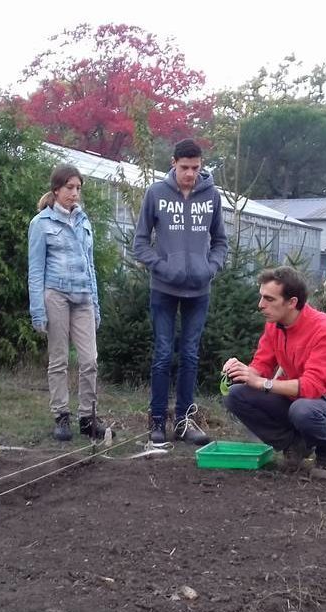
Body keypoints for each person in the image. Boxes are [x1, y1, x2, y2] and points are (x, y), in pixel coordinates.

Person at [132, 138, 228, 446]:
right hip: (163, 288)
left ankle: (185, 421)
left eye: (195, 168)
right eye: (185, 167)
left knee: (189, 354)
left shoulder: (211, 196)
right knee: (162, 353)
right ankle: (157, 420)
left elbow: (221, 242)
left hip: (199, 291)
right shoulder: (155, 194)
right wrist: (163, 267)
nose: (190, 174)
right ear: (173, 163)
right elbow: (140, 243)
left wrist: (210, 268)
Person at [222, 266, 326, 480]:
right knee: (235, 394)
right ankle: (295, 445)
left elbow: (311, 388)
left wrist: (263, 383)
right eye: (261, 297)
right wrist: (240, 370)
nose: (261, 305)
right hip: (295, 398)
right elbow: (261, 365)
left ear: (292, 302)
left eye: (269, 299)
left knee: (303, 410)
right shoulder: (274, 326)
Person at [28, 164, 112, 441]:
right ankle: (61, 416)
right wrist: (38, 311)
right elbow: (35, 270)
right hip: (57, 295)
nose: (74, 193)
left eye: (78, 188)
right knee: (59, 359)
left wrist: (96, 305)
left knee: (90, 360)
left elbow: (90, 267)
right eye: (69, 188)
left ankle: (87, 418)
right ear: (56, 190)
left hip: (84, 297)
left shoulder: (84, 221)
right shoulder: (41, 224)